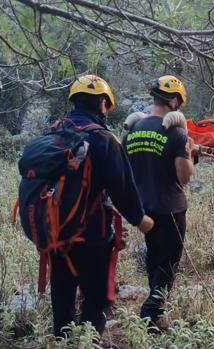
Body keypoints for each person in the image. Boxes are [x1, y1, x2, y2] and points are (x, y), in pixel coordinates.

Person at [49, 74, 154, 337]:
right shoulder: (104, 139)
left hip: (54, 231)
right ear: (103, 104)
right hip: (92, 235)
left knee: (62, 294)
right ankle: (88, 341)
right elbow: (122, 188)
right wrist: (141, 220)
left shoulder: (54, 132)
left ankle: (64, 340)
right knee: (97, 298)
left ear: (74, 102)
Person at [122, 75, 194, 330]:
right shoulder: (176, 133)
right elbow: (184, 177)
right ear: (174, 101)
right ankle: (149, 317)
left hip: (144, 210)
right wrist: (189, 152)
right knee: (168, 264)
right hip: (171, 209)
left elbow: (128, 171)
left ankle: (154, 312)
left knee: (155, 259)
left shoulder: (132, 131)